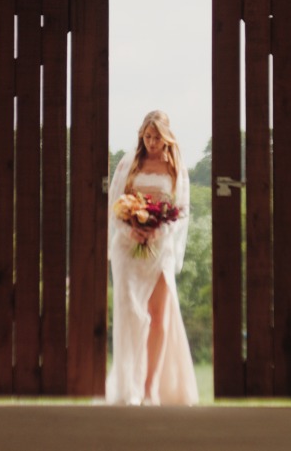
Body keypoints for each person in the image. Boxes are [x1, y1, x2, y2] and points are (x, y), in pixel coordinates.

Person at [105, 110, 199, 405]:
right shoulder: (128, 163)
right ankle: (128, 385)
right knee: (131, 314)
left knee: (158, 317)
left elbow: (181, 211)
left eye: (157, 137)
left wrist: (157, 231)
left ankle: (149, 389)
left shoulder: (176, 168)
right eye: (147, 136)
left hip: (161, 248)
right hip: (128, 246)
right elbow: (115, 205)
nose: (152, 142)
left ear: (166, 136)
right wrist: (130, 229)